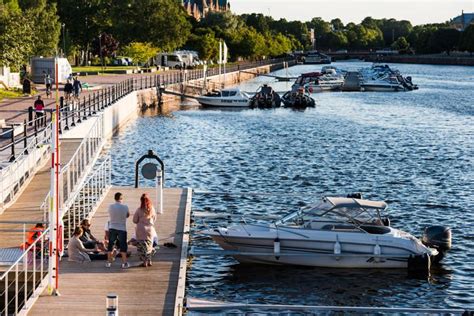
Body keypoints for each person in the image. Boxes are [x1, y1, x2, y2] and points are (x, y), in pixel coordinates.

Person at [106, 192, 130, 269]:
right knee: (123, 245)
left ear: (115, 198)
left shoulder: (110, 206)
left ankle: (109, 262)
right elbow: (127, 215)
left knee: (111, 244)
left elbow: (110, 214)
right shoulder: (125, 207)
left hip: (112, 227)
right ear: (121, 199)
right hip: (122, 228)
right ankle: (124, 263)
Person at [133, 193, 157, 267]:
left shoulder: (139, 210)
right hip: (149, 230)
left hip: (140, 230)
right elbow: (155, 219)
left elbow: (134, 220)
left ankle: (144, 262)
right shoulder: (152, 209)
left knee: (141, 247)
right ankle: (149, 261)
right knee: (149, 246)